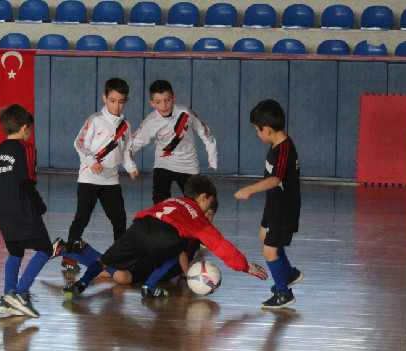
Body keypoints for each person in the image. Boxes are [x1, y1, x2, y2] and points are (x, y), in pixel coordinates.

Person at [62, 175, 267, 298]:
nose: (208, 211)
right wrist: (245, 266)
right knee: (175, 250)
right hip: (164, 235)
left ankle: (80, 284)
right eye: (209, 204)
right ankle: (149, 287)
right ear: (203, 197)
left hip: (140, 226)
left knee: (105, 261)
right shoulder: (196, 215)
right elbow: (219, 244)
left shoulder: (174, 201)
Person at [55, 197, 219, 297]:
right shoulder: (186, 227)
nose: (207, 217)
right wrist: (189, 275)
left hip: (156, 266)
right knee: (120, 277)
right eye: (206, 213)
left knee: (105, 274)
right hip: (149, 260)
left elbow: (192, 251)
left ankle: (73, 249)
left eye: (211, 215)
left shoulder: (198, 233)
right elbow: (180, 252)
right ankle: (69, 250)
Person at [0, 104, 58, 319]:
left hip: (3, 210)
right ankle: (19, 292)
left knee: (15, 251)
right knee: (45, 248)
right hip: (23, 208)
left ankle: (8, 297)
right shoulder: (26, 149)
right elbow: (27, 182)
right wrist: (39, 205)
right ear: (25, 128)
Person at [62, 77, 139, 272]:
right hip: (89, 178)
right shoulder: (95, 120)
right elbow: (79, 143)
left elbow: (126, 150)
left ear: (126, 101)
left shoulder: (126, 125)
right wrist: (90, 161)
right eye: (112, 101)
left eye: (121, 101)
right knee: (82, 217)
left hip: (111, 180)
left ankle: (119, 257)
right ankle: (70, 256)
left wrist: (130, 167)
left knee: (119, 218)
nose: (117, 105)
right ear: (105, 98)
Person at [234, 99, 303, 310]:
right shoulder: (275, 145)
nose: (257, 134)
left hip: (285, 209)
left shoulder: (284, 150)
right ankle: (289, 273)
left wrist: (249, 190)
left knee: (269, 251)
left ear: (267, 129)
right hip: (274, 205)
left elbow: (275, 180)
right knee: (265, 237)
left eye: (257, 130)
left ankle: (283, 293)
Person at [130, 79, 218, 205]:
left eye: (168, 100)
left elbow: (204, 132)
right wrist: (124, 162)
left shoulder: (185, 113)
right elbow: (135, 143)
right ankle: (162, 223)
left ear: (174, 98)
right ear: (152, 104)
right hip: (163, 163)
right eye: (158, 102)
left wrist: (212, 157)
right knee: (160, 201)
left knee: (196, 204)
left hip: (188, 165)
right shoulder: (151, 121)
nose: (164, 106)